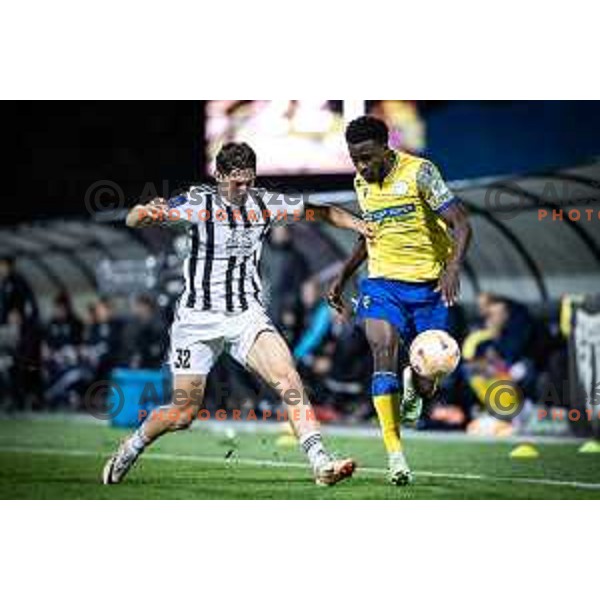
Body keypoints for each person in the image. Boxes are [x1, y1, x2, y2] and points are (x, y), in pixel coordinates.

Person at [103, 141, 371, 487]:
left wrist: (357, 225)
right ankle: (131, 446)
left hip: (246, 315)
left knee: (288, 378)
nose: (243, 190)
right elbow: (133, 218)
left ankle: (321, 462)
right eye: (236, 182)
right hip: (197, 321)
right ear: (218, 176)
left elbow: (320, 211)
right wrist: (144, 212)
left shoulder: (265, 203)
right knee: (183, 414)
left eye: (249, 181)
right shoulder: (198, 202)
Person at [328, 116, 472, 484]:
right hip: (380, 286)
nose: (361, 166)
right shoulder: (362, 182)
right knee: (383, 352)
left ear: (385, 147)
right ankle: (395, 455)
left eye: (367, 157)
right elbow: (369, 235)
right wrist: (343, 276)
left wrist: (453, 267)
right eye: (354, 159)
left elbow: (461, 223)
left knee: (429, 381)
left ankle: (418, 385)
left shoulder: (420, 172)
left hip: (429, 288)